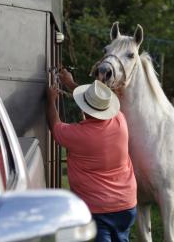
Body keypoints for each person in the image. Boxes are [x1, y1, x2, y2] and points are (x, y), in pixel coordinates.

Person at [46, 69, 137, 242]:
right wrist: (71, 84)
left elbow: (54, 125)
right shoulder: (120, 120)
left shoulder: (78, 134)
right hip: (127, 204)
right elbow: (95, 101)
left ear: (84, 108)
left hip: (98, 209)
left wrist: (50, 101)